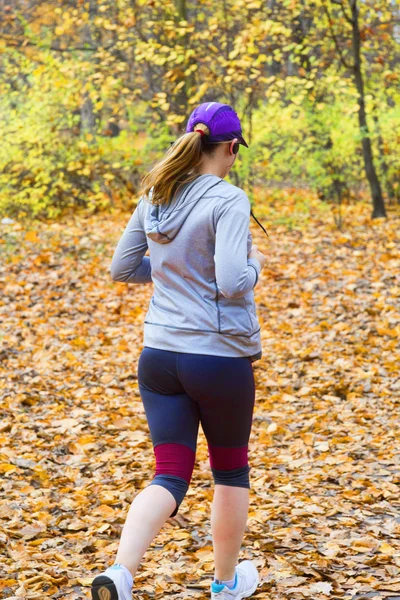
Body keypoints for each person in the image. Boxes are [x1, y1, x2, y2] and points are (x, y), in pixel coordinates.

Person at [91, 101, 267, 600]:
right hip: (217, 360)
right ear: (232, 148)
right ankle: (226, 583)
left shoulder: (156, 194)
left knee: (169, 473)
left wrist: (172, 275)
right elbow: (233, 282)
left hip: (159, 359)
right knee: (230, 469)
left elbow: (122, 267)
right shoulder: (228, 199)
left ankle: (120, 574)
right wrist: (256, 268)